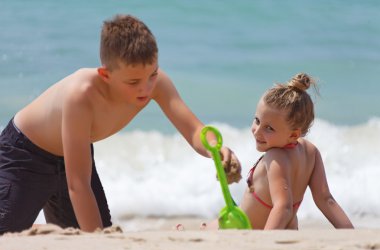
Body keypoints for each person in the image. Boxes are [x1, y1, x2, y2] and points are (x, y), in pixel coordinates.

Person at [0, 14, 241, 234]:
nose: (146, 88)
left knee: (88, 234)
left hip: (74, 156)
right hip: (24, 157)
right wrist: (99, 243)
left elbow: (193, 129)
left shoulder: (156, 84)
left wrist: (214, 148)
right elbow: (78, 185)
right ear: (105, 75)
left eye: (153, 74)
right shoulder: (81, 94)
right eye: (134, 81)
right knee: (7, 236)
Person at [202, 73, 354, 230]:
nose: (257, 131)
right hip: (287, 229)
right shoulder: (311, 152)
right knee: (206, 227)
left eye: (269, 128)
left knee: (205, 230)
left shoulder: (275, 156)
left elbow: (283, 207)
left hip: (245, 227)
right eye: (257, 121)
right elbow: (326, 199)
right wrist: (350, 234)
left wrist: (267, 242)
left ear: (294, 134)